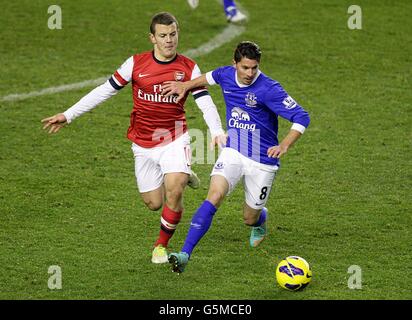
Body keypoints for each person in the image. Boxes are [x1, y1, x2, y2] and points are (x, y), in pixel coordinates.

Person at [41, 12, 226, 264]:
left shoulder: (188, 67)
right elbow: (104, 91)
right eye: (163, 36)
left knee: (175, 188)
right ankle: (181, 173)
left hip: (175, 138)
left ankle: (161, 244)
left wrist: (216, 131)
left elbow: (205, 103)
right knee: (153, 203)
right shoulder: (136, 64)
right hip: (142, 144)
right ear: (152, 38)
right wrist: (68, 115)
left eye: (173, 34)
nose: (169, 40)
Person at [161, 41, 310, 273]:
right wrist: (186, 86)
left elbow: (302, 117)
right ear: (235, 64)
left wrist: (284, 145)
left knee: (249, 218)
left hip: (263, 160)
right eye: (245, 68)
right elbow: (209, 78)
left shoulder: (270, 89)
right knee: (214, 195)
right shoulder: (226, 74)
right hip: (234, 150)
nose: (250, 73)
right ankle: (184, 254)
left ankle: (260, 220)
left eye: (254, 68)